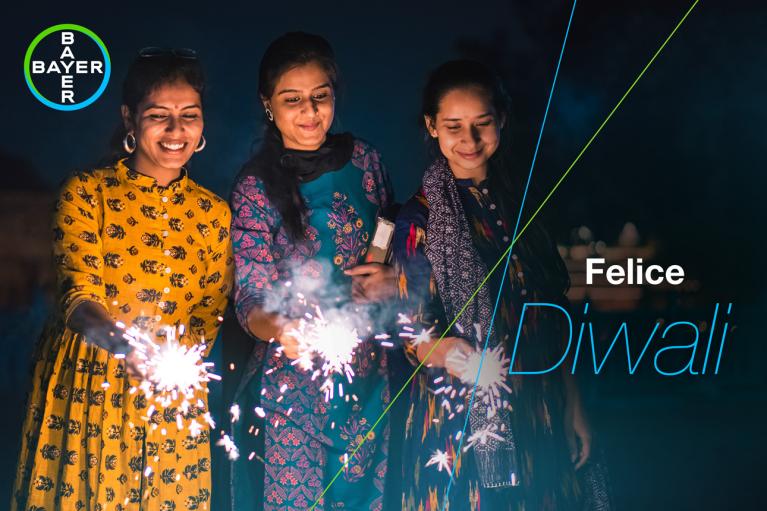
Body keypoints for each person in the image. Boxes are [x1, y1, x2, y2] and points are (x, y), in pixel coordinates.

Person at [12, 48, 233, 511]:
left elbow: (209, 313)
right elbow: (77, 297)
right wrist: (127, 347)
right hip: (90, 387)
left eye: (189, 116)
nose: (176, 132)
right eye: (159, 116)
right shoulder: (86, 193)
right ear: (130, 119)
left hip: (172, 398)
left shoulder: (213, 213)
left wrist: (173, 364)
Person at [394, 60, 606, 510]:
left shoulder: (525, 204)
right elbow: (414, 329)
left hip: (539, 401)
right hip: (463, 416)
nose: (469, 141)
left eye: (481, 124)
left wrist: (573, 403)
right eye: (453, 126)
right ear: (432, 126)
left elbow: (551, 312)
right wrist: (455, 355)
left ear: (501, 121)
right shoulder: (421, 218)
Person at [230, 32, 396, 511]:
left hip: (368, 377)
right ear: (269, 106)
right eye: (293, 100)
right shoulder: (254, 186)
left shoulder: (366, 161)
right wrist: (282, 329)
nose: (309, 112)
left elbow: (392, 230)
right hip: (292, 391)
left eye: (320, 97)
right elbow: (250, 297)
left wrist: (389, 271)